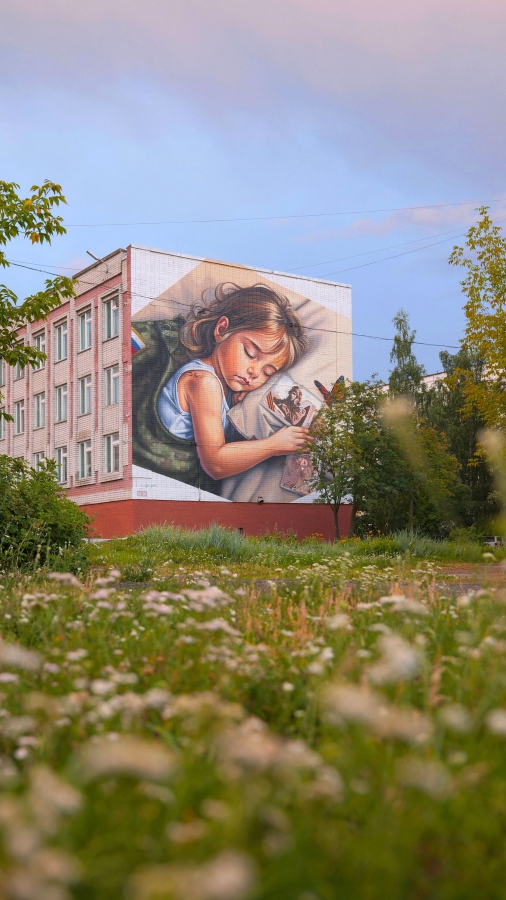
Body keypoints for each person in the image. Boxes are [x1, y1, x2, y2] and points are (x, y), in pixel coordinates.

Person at [157, 283, 312, 480]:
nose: (254, 372)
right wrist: (274, 445)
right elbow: (216, 464)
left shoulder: (223, 382)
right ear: (222, 329)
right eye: (250, 353)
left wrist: (233, 402)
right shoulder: (203, 382)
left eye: (267, 372)